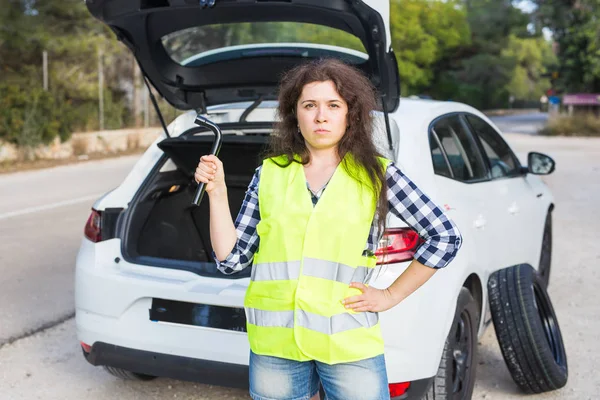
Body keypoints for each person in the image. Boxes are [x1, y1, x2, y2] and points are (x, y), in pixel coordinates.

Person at [194, 59, 462, 400]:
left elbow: (445, 237)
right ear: (295, 114)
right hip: (276, 343)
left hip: (347, 340)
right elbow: (231, 260)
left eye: (333, 105)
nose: (321, 116)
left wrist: (390, 296)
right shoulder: (269, 174)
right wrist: (217, 193)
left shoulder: (378, 174)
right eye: (310, 105)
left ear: (350, 113)